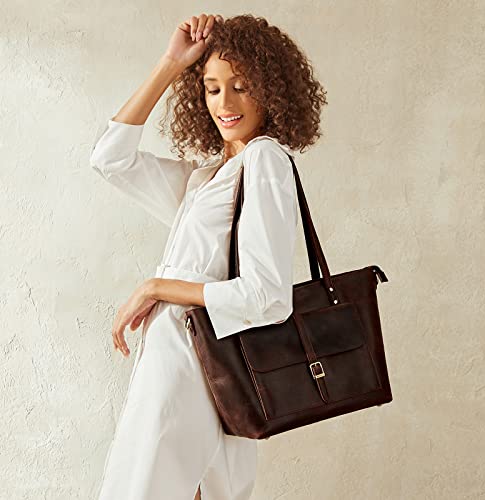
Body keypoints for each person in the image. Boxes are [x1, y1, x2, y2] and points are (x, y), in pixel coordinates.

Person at [90, 13, 327, 500]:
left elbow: (267, 297)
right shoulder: (205, 180)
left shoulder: (264, 160)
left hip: (199, 369)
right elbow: (110, 159)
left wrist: (156, 287)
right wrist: (172, 63)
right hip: (185, 367)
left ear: (271, 91)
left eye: (241, 86)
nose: (225, 103)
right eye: (212, 88)